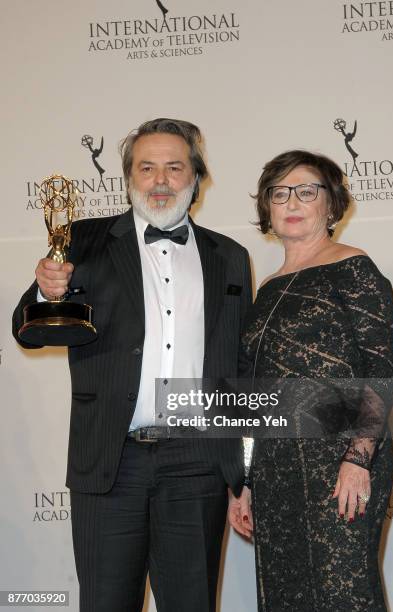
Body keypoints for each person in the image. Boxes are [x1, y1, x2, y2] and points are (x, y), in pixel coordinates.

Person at [13, 118, 252, 612]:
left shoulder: (229, 256)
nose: (160, 180)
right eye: (147, 168)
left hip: (197, 465)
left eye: (174, 167)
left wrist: (241, 472)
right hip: (109, 461)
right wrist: (44, 291)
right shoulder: (82, 242)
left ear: (196, 178)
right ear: (128, 178)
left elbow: (238, 368)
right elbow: (28, 332)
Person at [228, 150, 393, 611]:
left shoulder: (354, 268)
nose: (292, 201)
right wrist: (241, 482)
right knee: (285, 595)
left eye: (307, 190)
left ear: (332, 204)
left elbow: (382, 366)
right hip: (274, 466)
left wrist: (359, 457)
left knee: (343, 592)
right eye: (279, 192)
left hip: (341, 457)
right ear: (266, 207)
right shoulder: (265, 289)